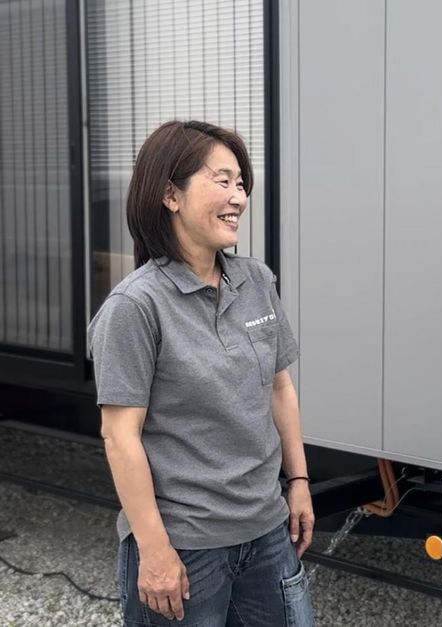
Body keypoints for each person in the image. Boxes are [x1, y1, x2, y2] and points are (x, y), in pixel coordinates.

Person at [88, 121, 315, 626]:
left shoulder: (256, 281)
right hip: (185, 546)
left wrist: (299, 480)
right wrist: (154, 551)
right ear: (170, 194)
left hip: (268, 532)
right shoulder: (135, 306)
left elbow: (279, 388)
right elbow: (119, 436)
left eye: (241, 184)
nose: (239, 197)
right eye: (223, 180)